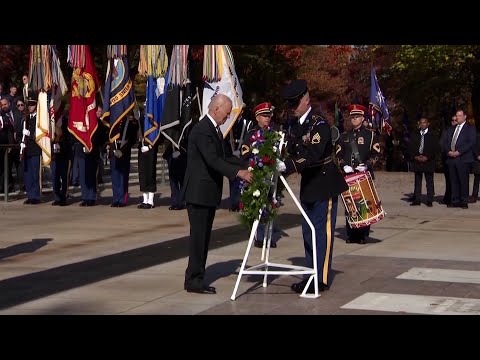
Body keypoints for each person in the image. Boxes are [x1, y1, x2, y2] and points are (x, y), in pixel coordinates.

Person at [280, 79, 348, 294]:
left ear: (306, 99)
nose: (292, 108)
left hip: (324, 182)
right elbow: (292, 149)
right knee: (308, 231)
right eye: (289, 104)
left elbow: (314, 155)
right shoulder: (293, 125)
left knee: (321, 232)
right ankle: (310, 274)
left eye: (295, 103)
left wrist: (288, 165)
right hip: (309, 183)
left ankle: (321, 278)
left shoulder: (319, 125)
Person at [182, 94, 252, 294]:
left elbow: (226, 156)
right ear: (216, 109)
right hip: (198, 193)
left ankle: (197, 276)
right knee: (199, 238)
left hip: (207, 193)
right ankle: (194, 280)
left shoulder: (215, 130)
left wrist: (249, 164)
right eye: (227, 112)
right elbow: (213, 160)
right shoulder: (202, 130)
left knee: (204, 238)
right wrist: (239, 173)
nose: (228, 116)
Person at [336, 104, 381, 244]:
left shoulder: (371, 135)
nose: (354, 119)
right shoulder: (344, 136)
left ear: (362, 118)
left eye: (357, 117)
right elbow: (338, 154)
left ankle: (362, 234)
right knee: (350, 204)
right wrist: (344, 165)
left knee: (364, 204)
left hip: (363, 174)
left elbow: (376, 154)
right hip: (349, 175)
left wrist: (367, 165)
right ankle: (351, 234)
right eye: (352, 117)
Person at [240, 101, 278, 248]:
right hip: (256, 175)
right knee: (257, 207)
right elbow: (244, 154)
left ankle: (269, 236)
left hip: (271, 176)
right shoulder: (251, 134)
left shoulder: (274, 133)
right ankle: (259, 236)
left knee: (270, 206)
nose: (267, 118)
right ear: (257, 118)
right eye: (264, 116)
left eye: (268, 115)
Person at [443, 108, 476, 209]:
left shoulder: (470, 128)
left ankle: (464, 201)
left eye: (459, 116)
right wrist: (448, 151)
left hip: (463, 158)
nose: (457, 118)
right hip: (451, 158)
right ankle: (455, 200)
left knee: (463, 180)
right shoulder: (451, 129)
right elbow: (445, 142)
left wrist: (459, 152)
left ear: (465, 116)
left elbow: (470, 142)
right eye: (456, 116)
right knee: (453, 180)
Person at [408, 117, 439, 207]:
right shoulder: (415, 134)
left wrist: (427, 157)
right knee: (417, 181)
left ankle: (429, 200)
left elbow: (435, 148)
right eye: (421, 123)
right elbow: (411, 147)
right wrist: (415, 156)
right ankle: (417, 199)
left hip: (428, 161)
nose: (422, 124)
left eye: (424, 122)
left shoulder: (433, 134)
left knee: (429, 181)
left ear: (428, 123)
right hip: (417, 161)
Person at [109, 114, 139, 207]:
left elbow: (133, 138)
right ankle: (115, 198)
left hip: (124, 151)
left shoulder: (129, 123)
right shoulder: (112, 121)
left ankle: (122, 199)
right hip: (113, 149)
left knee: (123, 176)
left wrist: (124, 148)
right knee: (114, 175)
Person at [19, 94, 42, 204]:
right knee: (27, 173)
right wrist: (21, 142)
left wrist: (31, 135)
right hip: (26, 149)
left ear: (36, 106)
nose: (30, 107)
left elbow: (41, 134)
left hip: (35, 149)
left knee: (34, 174)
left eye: (32, 105)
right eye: (29, 105)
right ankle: (30, 195)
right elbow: (20, 133)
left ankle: (36, 196)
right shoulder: (26, 118)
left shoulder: (39, 119)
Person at [50, 110, 71, 206]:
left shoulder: (66, 121)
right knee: (55, 176)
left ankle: (63, 197)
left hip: (64, 153)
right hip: (54, 154)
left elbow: (69, 137)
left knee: (64, 176)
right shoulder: (50, 121)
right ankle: (57, 197)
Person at [163, 141, 187, 210]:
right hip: (171, 155)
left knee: (182, 180)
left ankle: (182, 202)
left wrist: (179, 152)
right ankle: (175, 202)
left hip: (182, 154)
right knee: (173, 181)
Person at [439, 115, 457, 205]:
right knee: (449, 180)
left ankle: (457, 198)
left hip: (459, 158)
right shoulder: (446, 131)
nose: (454, 122)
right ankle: (448, 197)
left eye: (455, 120)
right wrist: (448, 152)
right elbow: (442, 143)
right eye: (452, 120)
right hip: (448, 159)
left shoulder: (463, 131)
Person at [469, 129, 480, 203]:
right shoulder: (477, 136)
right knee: (477, 180)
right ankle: (474, 196)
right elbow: (474, 147)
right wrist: (477, 155)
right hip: (478, 161)